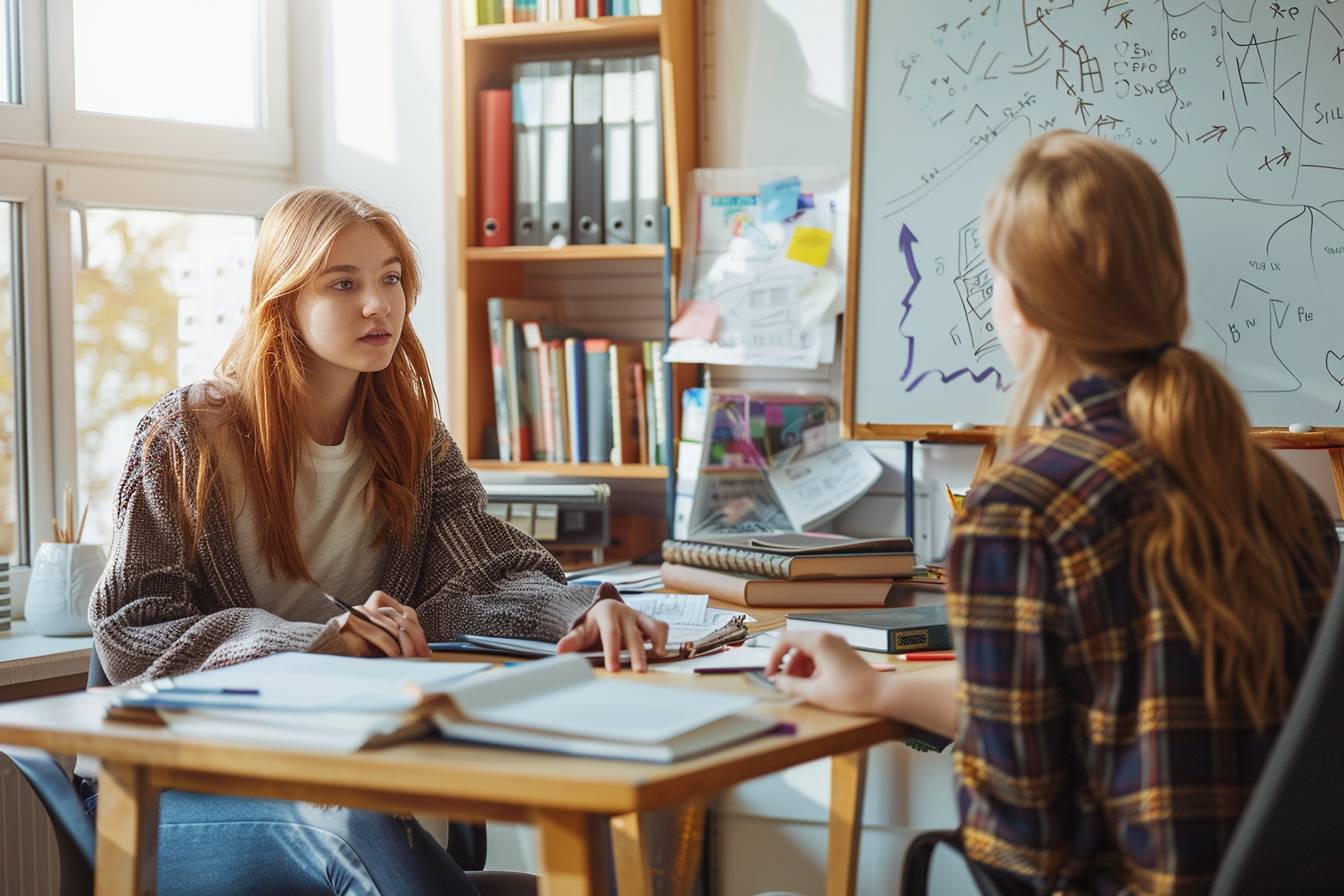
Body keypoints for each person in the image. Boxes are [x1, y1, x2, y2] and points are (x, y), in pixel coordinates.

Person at [768, 131, 1339, 895]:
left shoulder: (1022, 511)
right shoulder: (1282, 496)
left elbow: (1024, 847)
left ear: (1024, 306)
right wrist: (878, 691)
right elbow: (1105, 706)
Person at [85, 187, 670, 894]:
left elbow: (487, 572)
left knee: (599, 840)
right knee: (353, 827)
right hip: (173, 796)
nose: (379, 305)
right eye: (344, 284)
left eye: (390, 278)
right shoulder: (185, 439)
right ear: (284, 301)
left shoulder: (411, 438)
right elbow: (132, 632)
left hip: (338, 769)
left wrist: (580, 613)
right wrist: (312, 646)